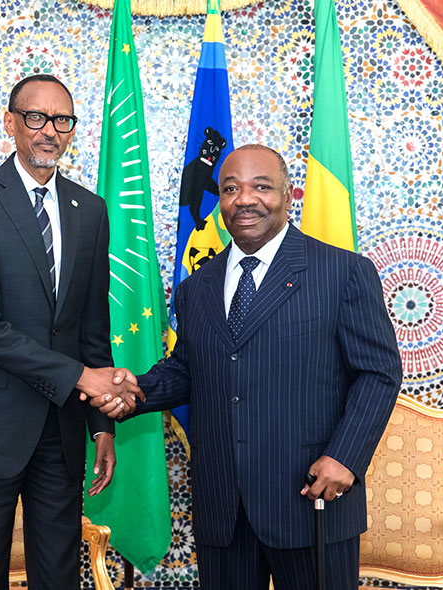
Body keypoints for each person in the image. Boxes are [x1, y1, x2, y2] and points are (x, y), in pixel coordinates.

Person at [87, 144, 403, 589]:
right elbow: (188, 370)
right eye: (231, 188)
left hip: (310, 494)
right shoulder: (196, 287)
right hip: (223, 507)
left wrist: (345, 457)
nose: (245, 199)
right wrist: (131, 390)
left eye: (261, 187)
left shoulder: (342, 271)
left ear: (288, 196)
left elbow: (379, 372)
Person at [0, 74, 140, 590]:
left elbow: (93, 327)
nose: (49, 130)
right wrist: (82, 378)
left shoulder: (90, 210)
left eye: (62, 120)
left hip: (60, 430)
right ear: (11, 124)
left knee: (60, 577)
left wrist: (101, 426)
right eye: (36, 118)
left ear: (72, 131)